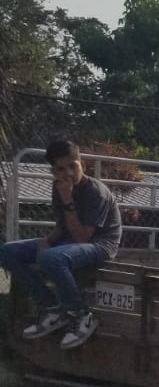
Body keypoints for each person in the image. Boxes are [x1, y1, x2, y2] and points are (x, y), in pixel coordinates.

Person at [2, 138, 122, 349]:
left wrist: (68, 200)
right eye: (61, 169)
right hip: (70, 241)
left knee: (51, 258)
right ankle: (51, 308)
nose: (68, 173)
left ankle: (81, 315)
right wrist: (46, 241)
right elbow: (62, 226)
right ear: (53, 172)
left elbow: (83, 237)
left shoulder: (96, 191)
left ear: (82, 165)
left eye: (73, 166)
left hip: (100, 244)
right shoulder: (59, 188)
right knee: (7, 251)